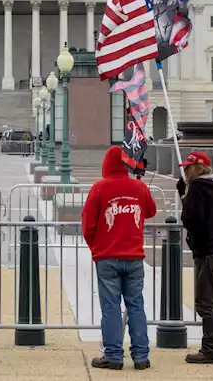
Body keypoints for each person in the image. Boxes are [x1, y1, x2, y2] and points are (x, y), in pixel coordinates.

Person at [81, 145, 157, 371]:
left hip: (107, 256)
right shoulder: (138, 187)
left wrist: (96, 249)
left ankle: (113, 355)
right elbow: (150, 211)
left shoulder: (99, 188)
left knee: (111, 307)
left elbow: (88, 225)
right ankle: (141, 356)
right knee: (136, 305)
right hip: (134, 256)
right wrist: (138, 184)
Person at [176, 151, 213, 364]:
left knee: (205, 301)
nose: (186, 170)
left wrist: (185, 197)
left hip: (206, 251)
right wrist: (185, 196)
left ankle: (211, 348)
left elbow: (191, 217)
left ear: (199, 168)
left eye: (189, 167)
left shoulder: (199, 187)